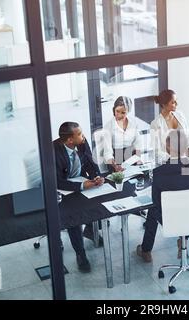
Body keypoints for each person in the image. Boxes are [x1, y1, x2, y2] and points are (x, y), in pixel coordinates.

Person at [136, 130, 189, 263]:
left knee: (153, 209)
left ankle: (146, 250)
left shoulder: (159, 173)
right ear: (187, 147)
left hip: (171, 221)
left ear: (168, 146)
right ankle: (184, 239)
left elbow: (156, 203)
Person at [53, 122, 105, 273]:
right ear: (70, 140)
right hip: (61, 189)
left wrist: (97, 176)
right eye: (80, 134)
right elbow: (56, 181)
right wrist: (81, 186)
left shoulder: (81, 142)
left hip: (80, 180)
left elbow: (90, 161)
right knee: (74, 217)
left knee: (98, 202)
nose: (84, 136)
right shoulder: (53, 151)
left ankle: (90, 229)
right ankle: (80, 254)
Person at [150, 89, 189, 164]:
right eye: (173, 102)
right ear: (164, 104)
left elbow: (188, 136)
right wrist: (172, 158)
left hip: (185, 159)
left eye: (176, 101)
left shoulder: (180, 115)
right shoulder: (155, 124)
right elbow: (156, 151)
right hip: (168, 162)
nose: (177, 104)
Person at [102, 96, 141, 172]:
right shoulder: (108, 127)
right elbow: (107, 152)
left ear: (128, 111)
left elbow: (138, 145)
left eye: (123, 113)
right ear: (114, 110)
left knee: (140, 176)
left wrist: (137, 158)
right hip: (115, 158)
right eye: (117, 111)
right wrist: (115, 166)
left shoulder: (134, 123)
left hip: (131, 157)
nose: (119, 115)